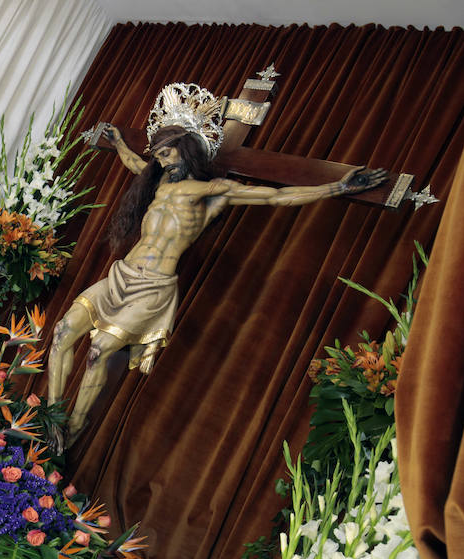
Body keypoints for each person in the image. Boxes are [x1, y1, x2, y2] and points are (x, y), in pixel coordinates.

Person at [47, 83, 387, 450]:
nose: (159, 159)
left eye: (165, 152)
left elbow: (277, 197)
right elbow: (133, 162)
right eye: (157, 154)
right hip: (121, 275)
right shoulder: (158, 180)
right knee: (63, 332)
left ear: (185, 149)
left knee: (99, 351)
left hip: (153, 288)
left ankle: (71, 432)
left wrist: (336, 188)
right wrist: (117, 143)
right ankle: (52, 419)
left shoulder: (213, 192)